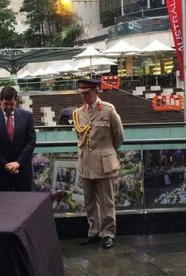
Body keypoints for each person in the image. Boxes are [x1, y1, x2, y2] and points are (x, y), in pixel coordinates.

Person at [72, 79, 124, 249]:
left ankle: (108, 233)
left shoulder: (108, 110)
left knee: (106, 201)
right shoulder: (78, 112)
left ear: (96, 92)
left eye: (87, 93)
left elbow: (118, 136)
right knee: (89, 200)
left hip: (103, 163)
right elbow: (80, 137)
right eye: (82, 93)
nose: (84, 96)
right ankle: (93, 232)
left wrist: (107, 152)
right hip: (86, 162)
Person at [0, 86, 36, 191]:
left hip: (22, 171)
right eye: (5, 104)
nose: (8, 107)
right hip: (1, 172)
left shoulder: (27, 116)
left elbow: (31, 141)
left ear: (16, 101)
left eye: (11, 104)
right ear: (0, 101)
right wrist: (6, 165)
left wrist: (18, 163)